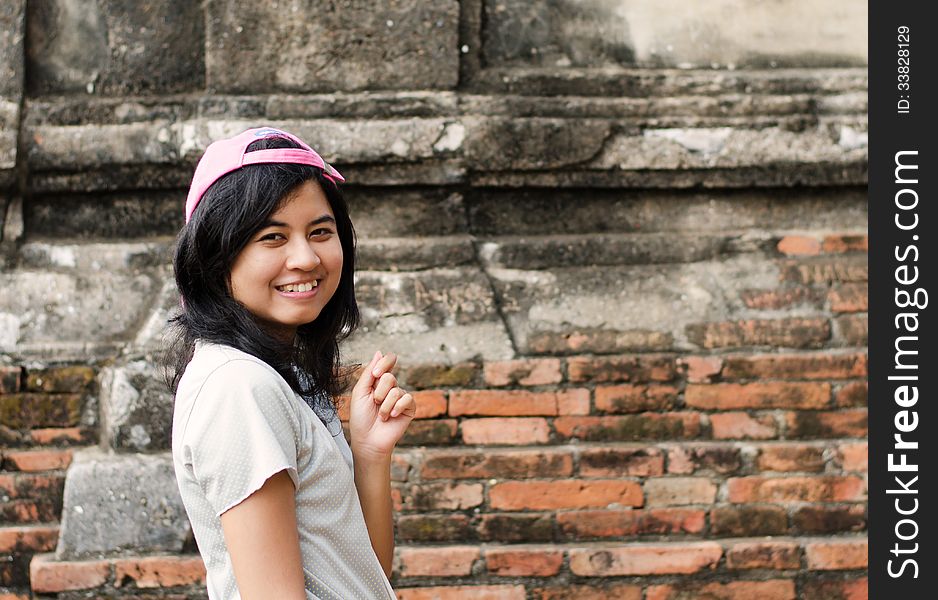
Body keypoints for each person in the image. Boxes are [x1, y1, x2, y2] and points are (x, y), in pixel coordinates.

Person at [166, 126, 415, 599]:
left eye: (320, 232)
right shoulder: (238, 386)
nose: (305, 257)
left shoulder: (279, 375)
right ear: (217, 258)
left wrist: (369, 453)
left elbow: (364, 575)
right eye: (272, 237)